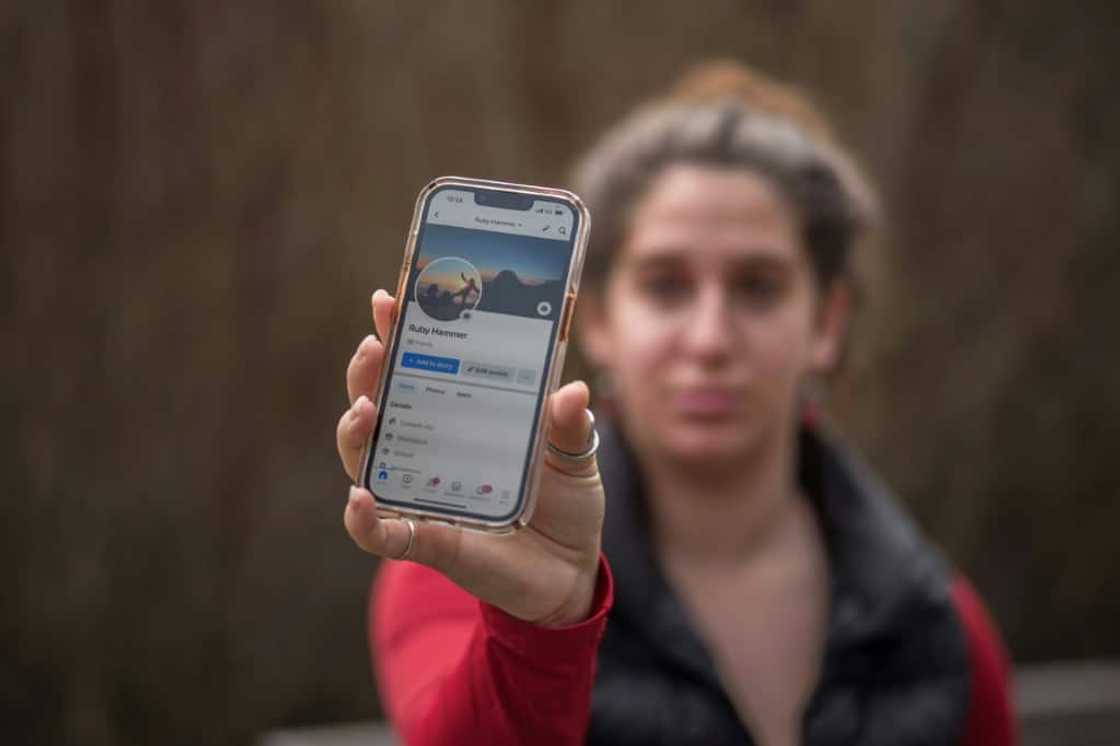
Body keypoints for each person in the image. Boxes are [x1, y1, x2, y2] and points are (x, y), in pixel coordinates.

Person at [336, 62, 1016, 745]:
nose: (710, 338)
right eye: (665, 286)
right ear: (597, 319)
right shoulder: (465, 567)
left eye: (758, 287)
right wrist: (541, 629)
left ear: (827, 323)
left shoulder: (939, 628)